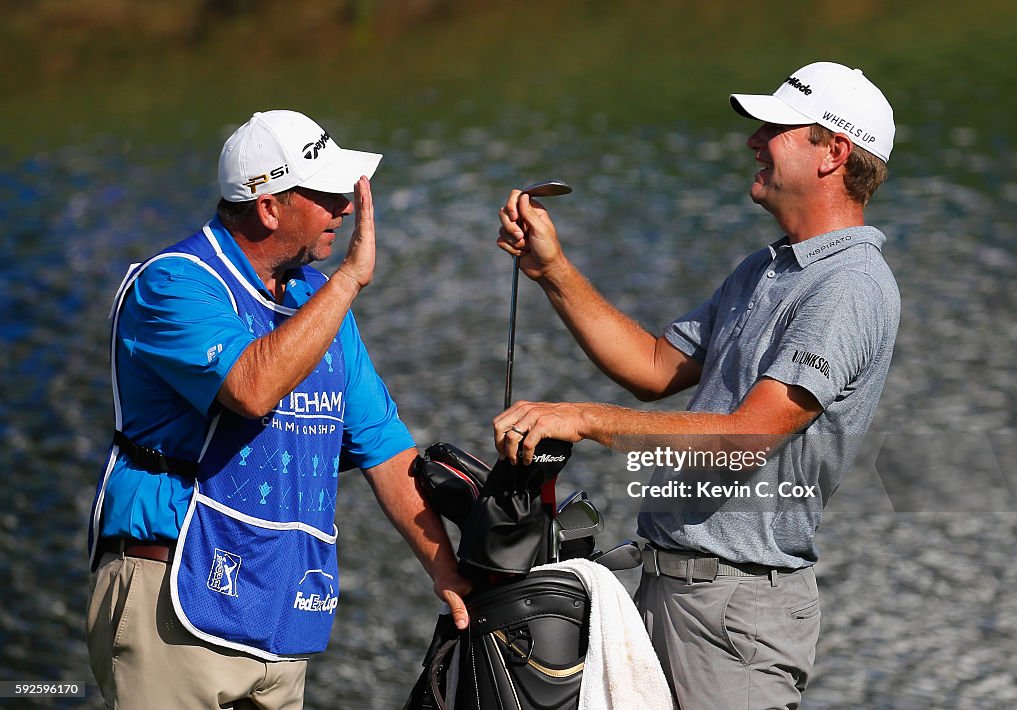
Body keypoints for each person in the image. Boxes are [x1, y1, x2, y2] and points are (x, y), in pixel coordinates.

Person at [492, 62, 900, 708]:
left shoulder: (850, 285)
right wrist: (553, 271)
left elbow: (743, 439)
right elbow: (654, 367)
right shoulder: (764, 269)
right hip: (666, 592)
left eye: (774, 128)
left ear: (834, 154)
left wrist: (582, 419)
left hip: (736, 618)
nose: (753, 141)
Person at [86, 109, 470, 709]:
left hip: (278, 609)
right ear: (269, 207)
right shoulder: (173, 285)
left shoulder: (313, 297)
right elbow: (251, 387)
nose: (346, 208)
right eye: (327, 195)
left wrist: (447, 574)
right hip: (173, 601)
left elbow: (383, 442)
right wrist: (349, 282)